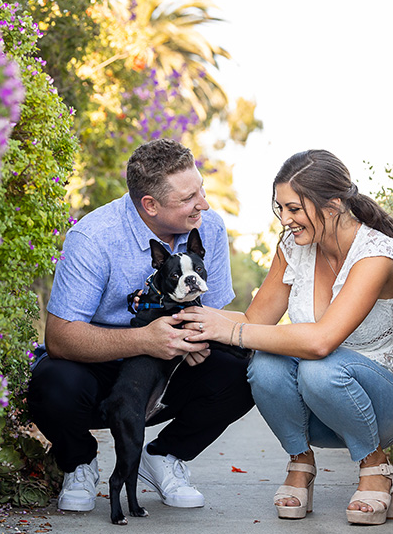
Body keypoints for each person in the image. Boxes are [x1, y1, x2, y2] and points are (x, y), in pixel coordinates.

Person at [175, 149, 393, 525]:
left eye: (294, 208)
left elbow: (321, 341)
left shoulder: (376, 255)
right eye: (281, 209)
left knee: (318, 367)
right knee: (267, 364)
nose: (285, 220)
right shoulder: (293, 249)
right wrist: (192, 319)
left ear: (334, 204)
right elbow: (254, 320)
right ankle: (300, 462)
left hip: (383, 406)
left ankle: (376, 466)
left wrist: (234, 331)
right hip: (322, 410)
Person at [27, 138, 255, 513]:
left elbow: (210, 311)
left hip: (171, 365)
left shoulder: (207, 227)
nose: (204, 204)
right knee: (52, 383)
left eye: (201, 190)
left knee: (242, 372)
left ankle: (165, 455)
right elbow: (60, 337)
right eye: (188, 199)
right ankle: (79, 462)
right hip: (98, 367)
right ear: (150, 205)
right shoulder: (93, 237)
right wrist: (145, 340)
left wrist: (196, 340)